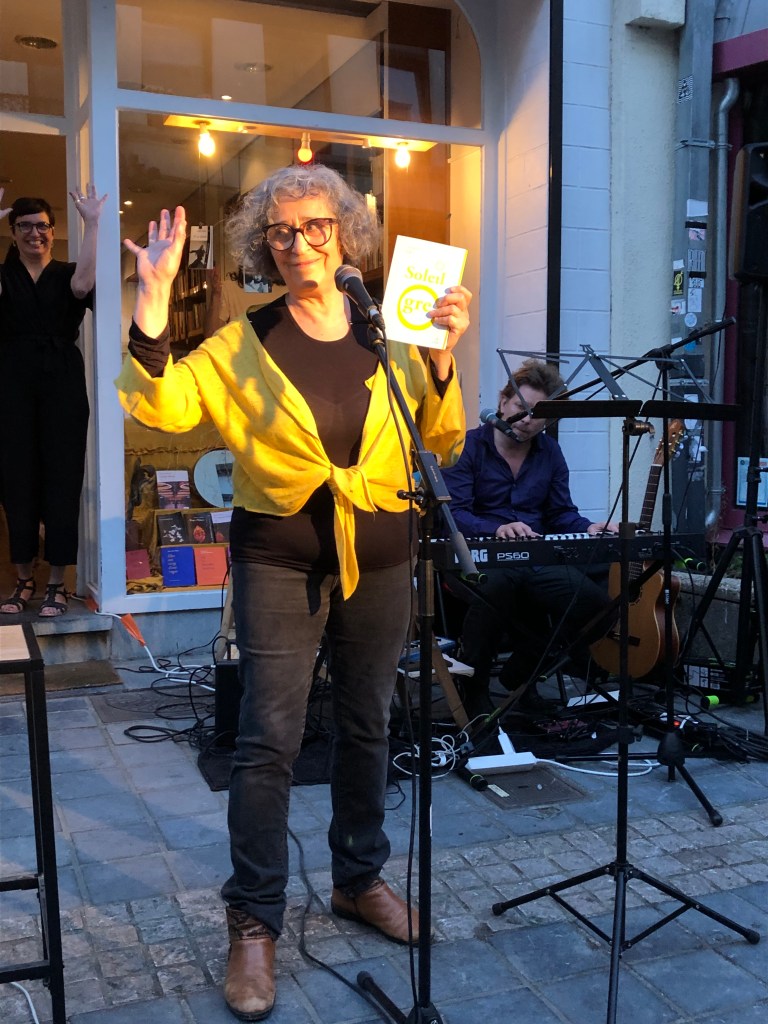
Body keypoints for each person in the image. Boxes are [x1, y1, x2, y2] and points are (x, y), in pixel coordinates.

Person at [115, 163, 471, 1021]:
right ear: (263, 245)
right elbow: (159, 406)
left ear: (345, 232)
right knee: (267, 741)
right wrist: (153, 303)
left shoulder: (387, 327)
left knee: (368, 724)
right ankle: (254, 919)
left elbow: (441, 439)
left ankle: (359, 878)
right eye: (281, 231)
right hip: (278, 559)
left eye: (316, 226)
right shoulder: (246, 341)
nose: (299, 243)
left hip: (381, 558)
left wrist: (443, 355)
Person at [442, 359, 617, 720]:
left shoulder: (549, 452)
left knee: (597, 606)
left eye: (538, 413)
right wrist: (496, 529)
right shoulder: (468, 446)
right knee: (496, 589)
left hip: (533, 556)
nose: (527, 419)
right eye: (520, 407)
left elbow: (560, 513)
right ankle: (474, 690)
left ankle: (523, 674)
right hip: (477, 555)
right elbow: (453, 512)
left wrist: (587, 527)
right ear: (503, 402)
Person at [0, 183, 107, 617]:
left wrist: (93, 223)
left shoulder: (66, 272)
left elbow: (83, 288)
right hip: (11, 384)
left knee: (63, 479)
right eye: (25, 226)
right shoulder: (5, 275)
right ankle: (24, 579)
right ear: (13, 233)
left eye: (42, 226)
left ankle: (58, 583)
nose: (35, 233)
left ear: (52, 230)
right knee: (16, 480)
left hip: (62, 382)